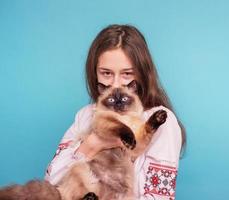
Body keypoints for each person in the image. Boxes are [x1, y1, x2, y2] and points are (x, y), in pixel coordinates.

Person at [45, 24, 186, 200]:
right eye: (106, 73)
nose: (116, 84)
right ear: (94, 74)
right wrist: (92, 144)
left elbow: (159, 196)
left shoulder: (161, 121)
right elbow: (51, 181)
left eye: (127, 74)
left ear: (141, 74)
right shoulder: (86, 115)